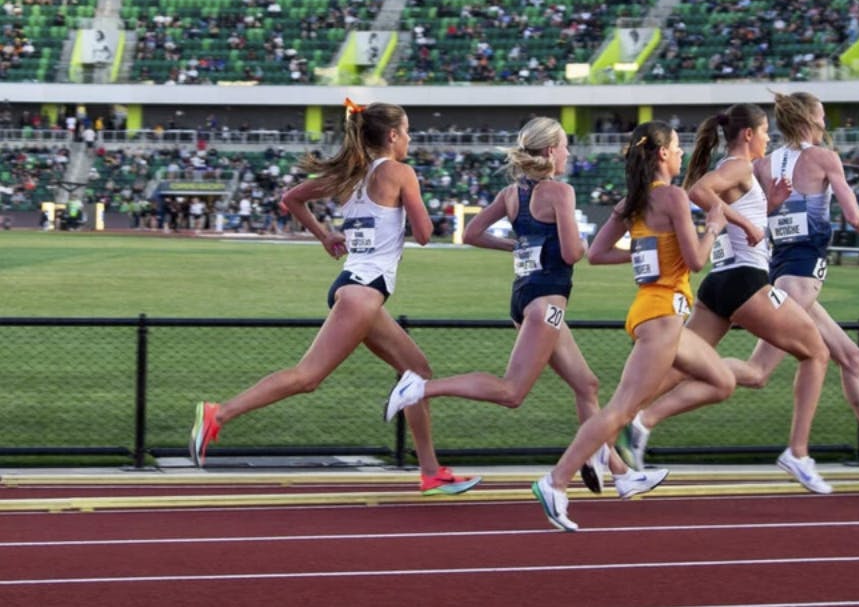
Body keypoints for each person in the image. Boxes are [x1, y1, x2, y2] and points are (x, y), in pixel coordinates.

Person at [189, 100, 480, 495]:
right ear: (392, 136)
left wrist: (326, 235)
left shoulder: (350, 173)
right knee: (308, 377)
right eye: (407, 131)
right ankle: (218, 413)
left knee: (418, 373)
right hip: (362, 293)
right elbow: (426, 234)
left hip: (357, 288)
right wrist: (411, 200)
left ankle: (430, 471)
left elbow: (291, 199)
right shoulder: (399, 172)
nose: (410, 138)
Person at [379, 117, 655, 499]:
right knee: (512, 392)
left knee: (586, 384)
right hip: (547, 302)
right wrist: (624, 252)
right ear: (549, 151)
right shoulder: (560, 192)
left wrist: (516, 246)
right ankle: (421, 387)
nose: (568, 153)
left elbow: (473, 233)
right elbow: (576, 253)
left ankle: (620, 472)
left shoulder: (512, 194)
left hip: (526, 297)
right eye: (563, 146)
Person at [532, 121, 736, 531]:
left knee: (722, 381)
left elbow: (598, 254)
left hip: (662, 313)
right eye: (677, 148)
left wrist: (650, 254)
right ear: (662, 154)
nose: (681, 154)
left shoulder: (633, 202)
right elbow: (697, 260)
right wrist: (714, 226)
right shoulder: (673, 197)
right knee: (620, 408)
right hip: (661, 315)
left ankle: (620, 464)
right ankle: (555, 481)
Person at [620, 104, 835, 493]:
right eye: (766, 131)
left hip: (719, 283)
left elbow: (731, 215)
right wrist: (744, 221)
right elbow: (698, 192)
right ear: (748, 135)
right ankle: (798, 452)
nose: (769, 138)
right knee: (817, 353)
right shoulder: (739, 165)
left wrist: (766, 207)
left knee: (684, 365)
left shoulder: (741, 172)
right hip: (746, 283)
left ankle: (630, 420)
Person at [736, 91, 859, 475]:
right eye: (822, 116)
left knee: (852, 358)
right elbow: (852, 208)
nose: (826, 123)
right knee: (756, 373)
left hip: (785, 277)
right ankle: (648, 411)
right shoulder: (824, 158)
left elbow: (755, 215)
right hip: (799, 284)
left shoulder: (765, 164)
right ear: (809, 119)